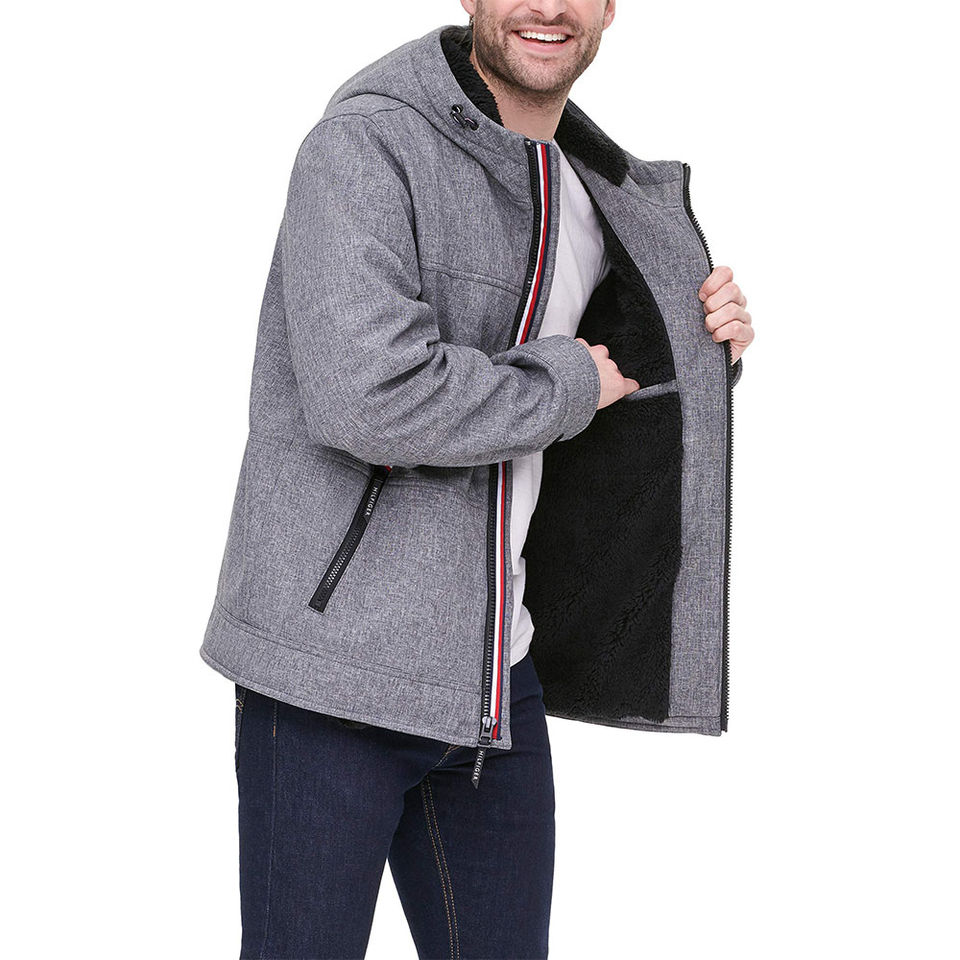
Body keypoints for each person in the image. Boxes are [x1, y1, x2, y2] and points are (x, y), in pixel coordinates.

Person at [200, 2, 755, 957]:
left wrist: (702, 353)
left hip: (495, 677)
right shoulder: (365, 148)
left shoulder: (594, 191)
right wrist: (576, 380)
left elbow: (599, 396)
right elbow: (367, 398)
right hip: (333, 678)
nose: (548, 7)